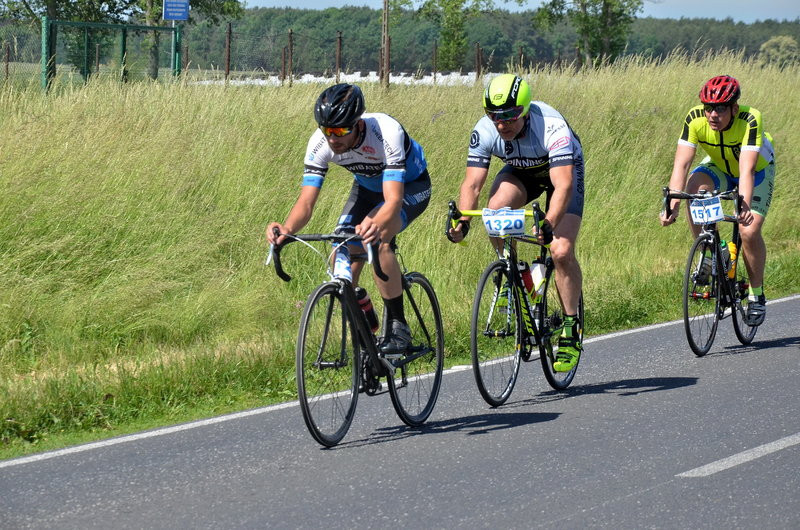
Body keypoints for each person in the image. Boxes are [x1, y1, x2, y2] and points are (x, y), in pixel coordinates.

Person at [266, 83, 432, 354]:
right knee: (340, 247)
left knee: (378, 242)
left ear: (357, 123)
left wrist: (375, 225)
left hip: (409, 188)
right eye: (327, 130)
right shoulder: (319, 144)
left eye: (341, 130)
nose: (333, 139)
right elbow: (306, 202)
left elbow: (392, 200)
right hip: (367, 189)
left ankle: (399, 327)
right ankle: (361, 310)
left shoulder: (386, 131)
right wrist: (286, 228)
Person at [447, 74, 585, 372]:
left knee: (560, 250)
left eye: (509, 116)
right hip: (522, 172)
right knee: (494, 213)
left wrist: (548, 222)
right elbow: (472, 185)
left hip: (561, 174)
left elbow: (561, 186)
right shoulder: (484, 131)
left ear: (524, 110)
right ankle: (510, 270)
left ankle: (571, 329)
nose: (502, 124)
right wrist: (462, 223)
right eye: (495, 116)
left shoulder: (551, 126)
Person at [661, 75, 774, 326]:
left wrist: (742, 207)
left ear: (734, 108)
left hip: (757, 172)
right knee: (693, 188)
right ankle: (712, 251)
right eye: (708, 107)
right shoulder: (694, 118)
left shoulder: (750, 119)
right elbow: (682, 164)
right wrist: (673, 206)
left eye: (720, 108)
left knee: (748, 230)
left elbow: (746, 171)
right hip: (720, 168)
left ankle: (756, 294)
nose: (712, 114)